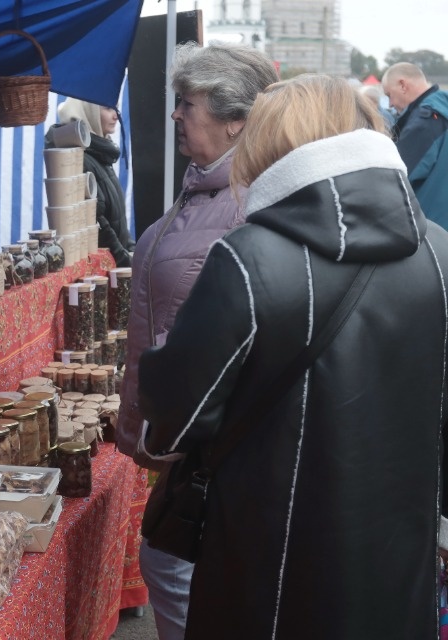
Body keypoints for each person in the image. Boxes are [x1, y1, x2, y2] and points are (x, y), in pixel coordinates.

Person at [137, 74, 448, 639]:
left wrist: (164, 356)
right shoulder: (441, 251)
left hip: (269, 557)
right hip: (399, 555)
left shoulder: (249, 257)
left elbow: (177, 418)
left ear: (272, 143)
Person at [114, 41, 278, 640]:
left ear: (236, 119)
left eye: (188, 104)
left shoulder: (248, 205)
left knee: (178, 573)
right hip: (186, 439)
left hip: (211, 445)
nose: (176, 115)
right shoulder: (203, 191)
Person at [47, 98, 134, 266]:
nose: (116, 115)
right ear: (87, 113)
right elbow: (96, 221)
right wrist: (126, 261)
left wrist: (132, 250)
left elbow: (117, 221)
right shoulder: (79, 158)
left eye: (115, 109)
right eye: (107, 108)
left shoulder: (100, 155)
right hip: (102, 269)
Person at [382, 62, 448, 229]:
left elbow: (398, 178)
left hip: (433, 230)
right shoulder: (442, 107)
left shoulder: (425, 120)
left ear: (403, 85)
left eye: (389, 94)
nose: (389, 104)